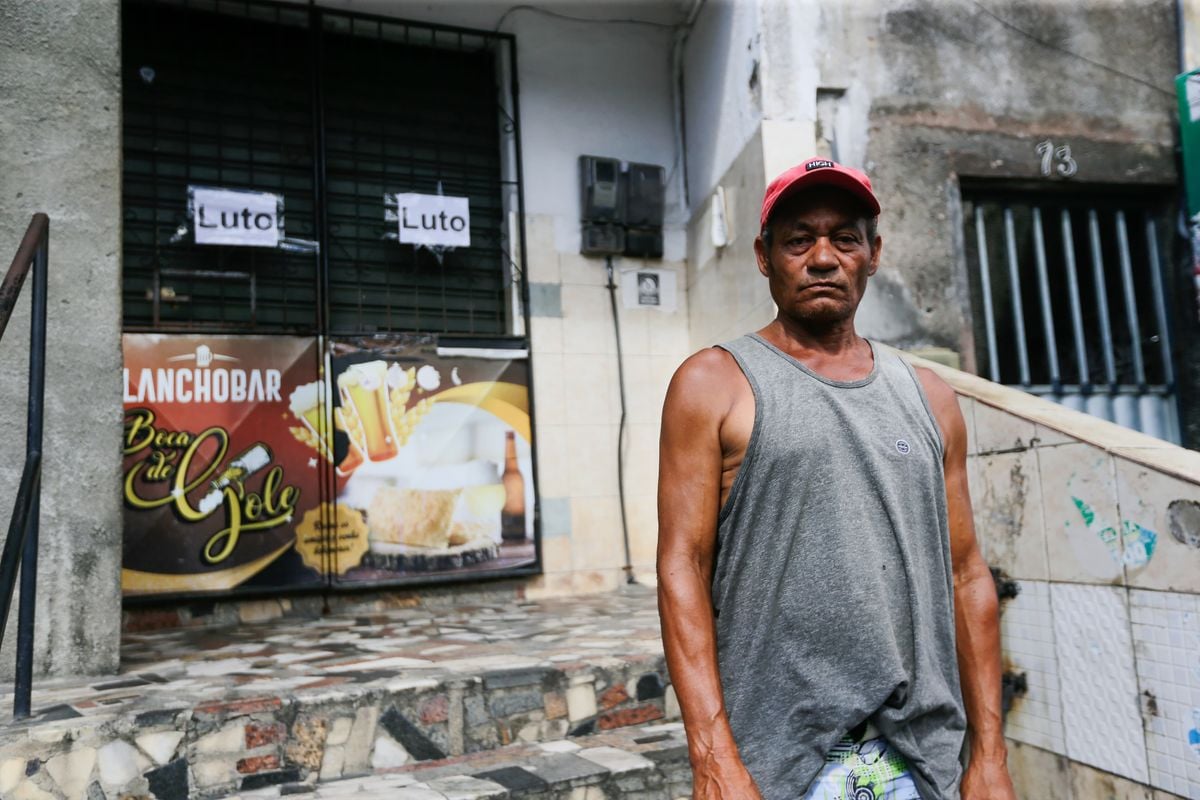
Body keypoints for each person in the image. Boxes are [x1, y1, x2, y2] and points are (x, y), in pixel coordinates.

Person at [656, 158, 1016, 800]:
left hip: (920, 759)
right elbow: (681, 566)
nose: (823, 257)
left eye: (844, 238)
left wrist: (989, 756)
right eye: (799, 239)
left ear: (872, 254)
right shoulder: (713, 383)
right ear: (765, 257)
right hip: (777, 761)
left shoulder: (929, 396)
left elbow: (967, 575)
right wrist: (712, 756)